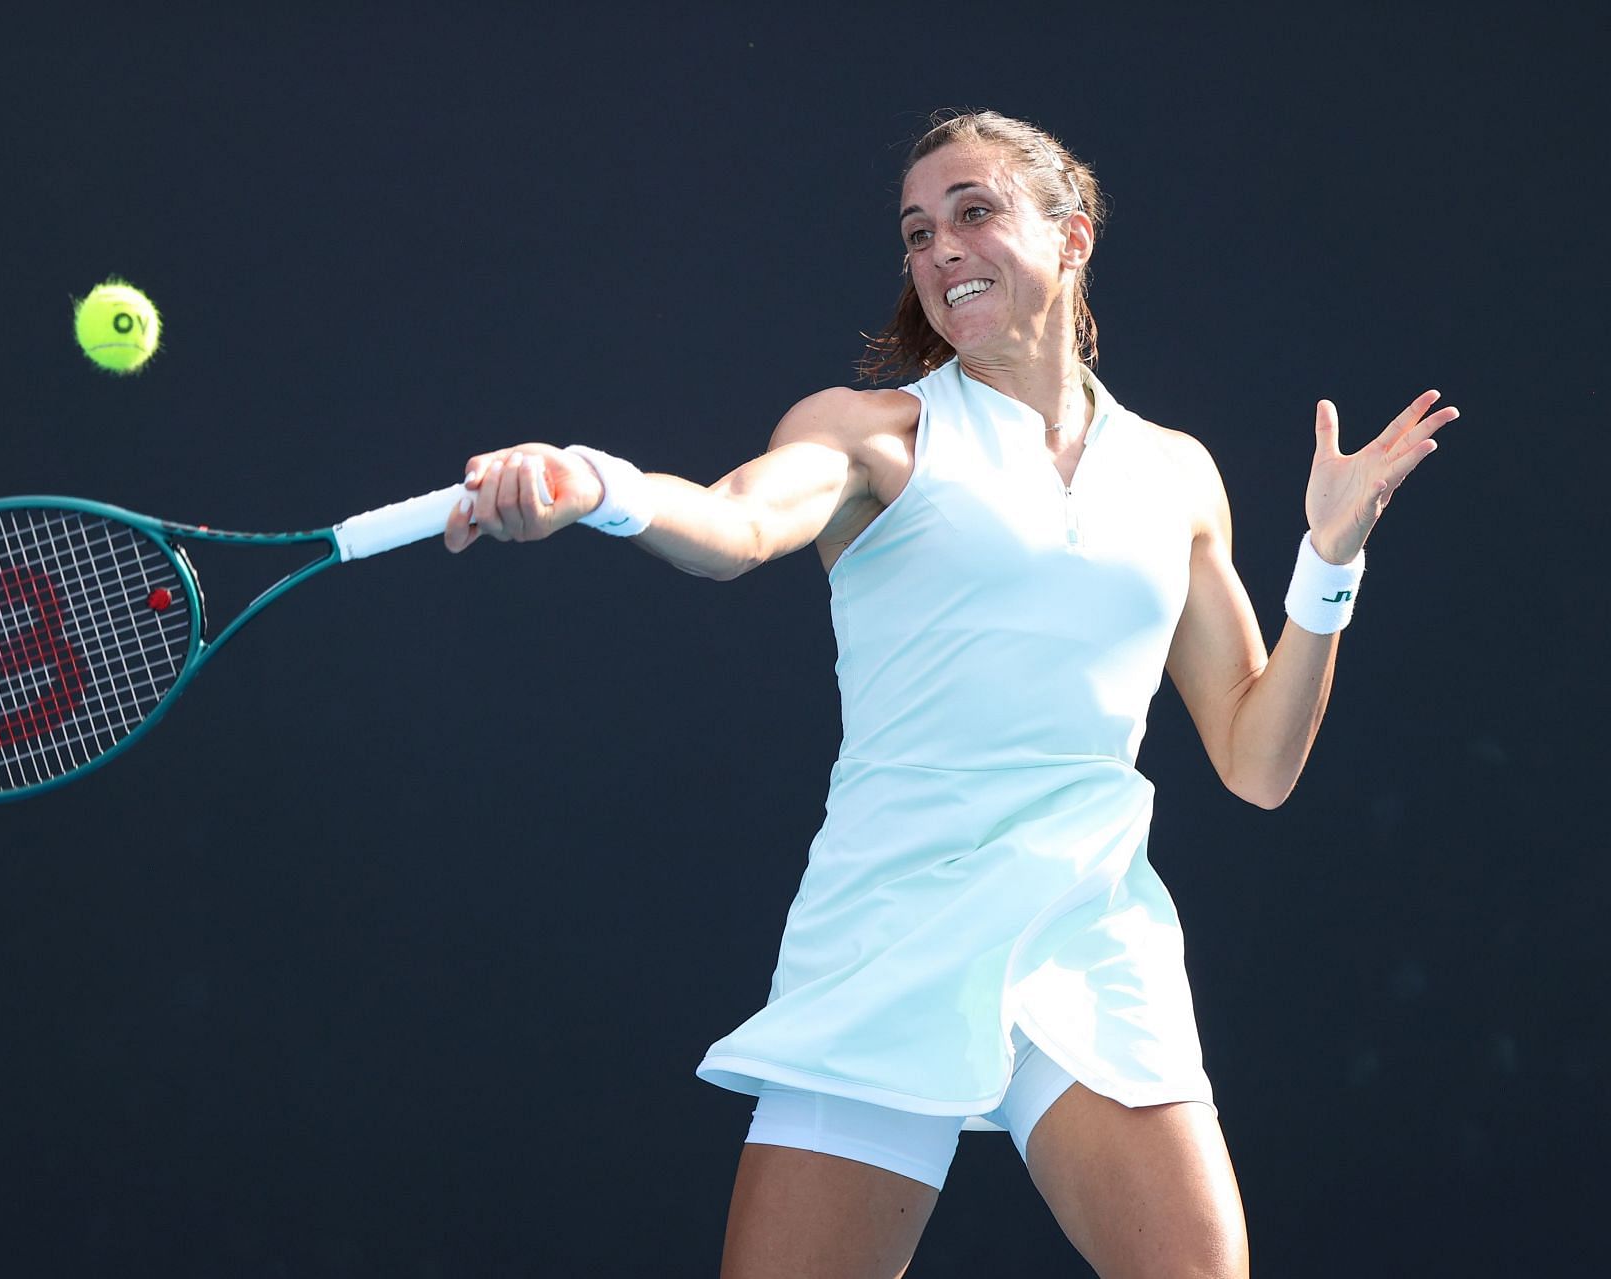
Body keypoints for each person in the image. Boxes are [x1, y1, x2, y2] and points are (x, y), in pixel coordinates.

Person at [441, 109, 1455, 1279]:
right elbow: (734, 524)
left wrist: (1328, 564)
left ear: (1072, 238)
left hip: (1088, 925)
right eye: (919, 231)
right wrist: (599, 486)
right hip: (892, 928)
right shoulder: (873, 435)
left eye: (974, 212)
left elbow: (1257, 762)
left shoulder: (1175, 474)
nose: (940, 251)